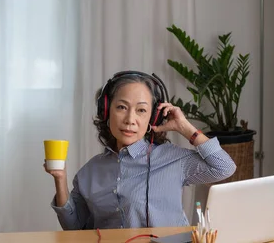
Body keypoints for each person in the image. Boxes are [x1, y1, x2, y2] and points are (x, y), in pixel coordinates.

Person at [45, 71, 236, 230]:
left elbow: (224, 167)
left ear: (152, 118)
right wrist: (59, 179)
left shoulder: (173, 159)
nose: (130, 119)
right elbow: (73, 228)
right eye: (121, 107)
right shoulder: (89, 172)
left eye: (141, 110)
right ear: (106, 111)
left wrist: (185, 127)